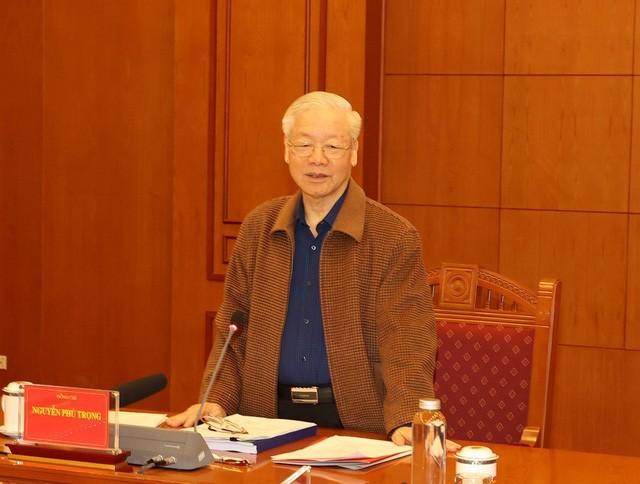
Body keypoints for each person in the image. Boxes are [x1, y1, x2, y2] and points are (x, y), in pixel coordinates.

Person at [167, 91, 436, 445]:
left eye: (333, 147)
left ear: (354, 152)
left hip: (357, 425)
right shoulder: (259, 227)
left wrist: (406, 419)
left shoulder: (392, 236)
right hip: (262, 420)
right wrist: (216, 400)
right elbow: (233, 328)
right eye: (304, 145)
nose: (317, 159)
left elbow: (406, 339)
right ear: (287, 151)